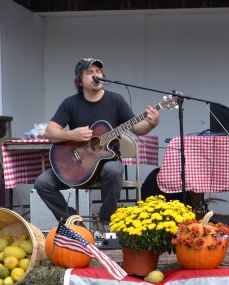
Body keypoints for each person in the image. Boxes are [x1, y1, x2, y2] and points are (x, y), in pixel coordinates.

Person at [34, 58, 160, 228]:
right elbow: (50, 132)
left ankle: (107, 222)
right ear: (80, 80)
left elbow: (138, 128)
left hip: (105, 165)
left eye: (98, 71)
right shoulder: (70, 103)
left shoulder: (116, 100)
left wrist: (152, 123)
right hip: (77, 167)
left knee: (114, 170)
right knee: (42, 183)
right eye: (89, 72)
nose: (95, 75)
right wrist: (72, 134)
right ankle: (74, 222)